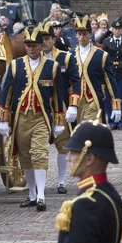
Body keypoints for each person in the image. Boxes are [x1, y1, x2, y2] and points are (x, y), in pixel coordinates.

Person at [0, 27, 60, 211]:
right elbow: (6, 93)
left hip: (40, 117)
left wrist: (59, 121)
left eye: (34, 45)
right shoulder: (15, 65)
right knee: (25, 156)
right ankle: (33, 195)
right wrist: (3, 118)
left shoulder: (52, 67)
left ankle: (42, 196)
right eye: (28, 46)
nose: (31, 49)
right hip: (21, 117)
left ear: (41, 46)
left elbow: (57, 96)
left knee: (40, 154)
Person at [44, 120, 122, 243]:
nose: (68, 158)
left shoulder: (87, 204)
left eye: (73, 152)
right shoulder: (109, 193)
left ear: (89, 158)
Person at [40, 21, 81, 194]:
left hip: (61, 106)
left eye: (47, 38)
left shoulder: (66, 57)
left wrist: (73, 105)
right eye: (41, 39)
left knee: (63, 144)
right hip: (41, 105)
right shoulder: (33, 59)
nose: (44, 42)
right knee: (38, 146)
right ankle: (38, 183)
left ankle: (61, 181)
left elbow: (76, 82)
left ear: (54, 39)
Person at [67, 16, 122, 126]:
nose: (82, 37)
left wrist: (116, 103)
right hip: (75, 101)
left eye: (84, 34)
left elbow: (110, 81)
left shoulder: (101, 55)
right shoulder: (69, 55)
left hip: (93, 99)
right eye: (79, 34)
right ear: (76, 35)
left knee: (90, 129)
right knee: (77, 132)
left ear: (90, 34)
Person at [101, 19, 122, 131]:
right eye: (115, 29)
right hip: (110, 73)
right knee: (110, 97)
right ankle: (112, 121)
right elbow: (103, 59)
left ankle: (121, 121)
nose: (117, 31)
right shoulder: (107, 42)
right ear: (112, 30)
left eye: (119, 29)